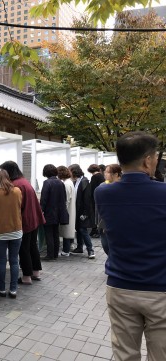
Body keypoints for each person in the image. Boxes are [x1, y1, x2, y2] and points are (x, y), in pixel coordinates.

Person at [95, 131, 166, 361]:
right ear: (147, 160)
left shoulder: (103, 193)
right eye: (155, 157)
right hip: (160, 288)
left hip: (120, 286)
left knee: (124, 355)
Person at [0, 161, 44, 284]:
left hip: (25, 220)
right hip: (34, 218)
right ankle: (36, 272)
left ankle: (26, 277)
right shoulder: (24, 181)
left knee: (23, 249)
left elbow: (14, 206)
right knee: (32, 246)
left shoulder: (15, 185)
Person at [0, 169, 22, 298]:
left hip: (0, 231)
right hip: (16, 230)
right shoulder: (17, 191)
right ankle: (13, 290)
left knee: (2, 261)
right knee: (14, 261)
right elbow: (19, 207)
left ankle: (1, 289)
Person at [40, 164, 68, 261]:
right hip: (58, 212)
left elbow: (43, 199)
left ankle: (50, 254)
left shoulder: (47, 183)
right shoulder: (60, 183)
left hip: (49, 212)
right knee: (55, 233)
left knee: (48, 233)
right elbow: (64, 197)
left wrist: (41, 210)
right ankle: (55, 253)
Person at [68, 164, 95, 259]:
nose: (68, 173)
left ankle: (90, 250)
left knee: (83, 230)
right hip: (78, 210)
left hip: (83, 211)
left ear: (74, 171)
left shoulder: (84, 182)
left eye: (69, 171)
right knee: (79, 229)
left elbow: (87, 199)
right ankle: (80, 247)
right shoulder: (77, 181)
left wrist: (85, 213)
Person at [96, 163, 122, 255]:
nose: (104, 174)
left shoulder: (122, 187)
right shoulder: (102, 185)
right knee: (106, 247)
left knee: (113, 249)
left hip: (115, 224)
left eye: (107, 172)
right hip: (102, 223)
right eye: (105, 172)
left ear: (116, 174)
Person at [57, 166, 76, 257]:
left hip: (68, 210)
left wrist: (63, 209)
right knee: (67, 230)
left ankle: (66, 250)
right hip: (70, 210)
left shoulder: (66, 184)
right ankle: (66, 249)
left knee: (66, 231)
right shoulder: (69, 182)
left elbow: (66, 199)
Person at [87, 164, 105, 238]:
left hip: (95, 198)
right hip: (101, 197)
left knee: (95, 214)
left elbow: (92, 189)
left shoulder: (94, 177)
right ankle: (96, 230)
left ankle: (95, 230)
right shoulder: (101, 176)